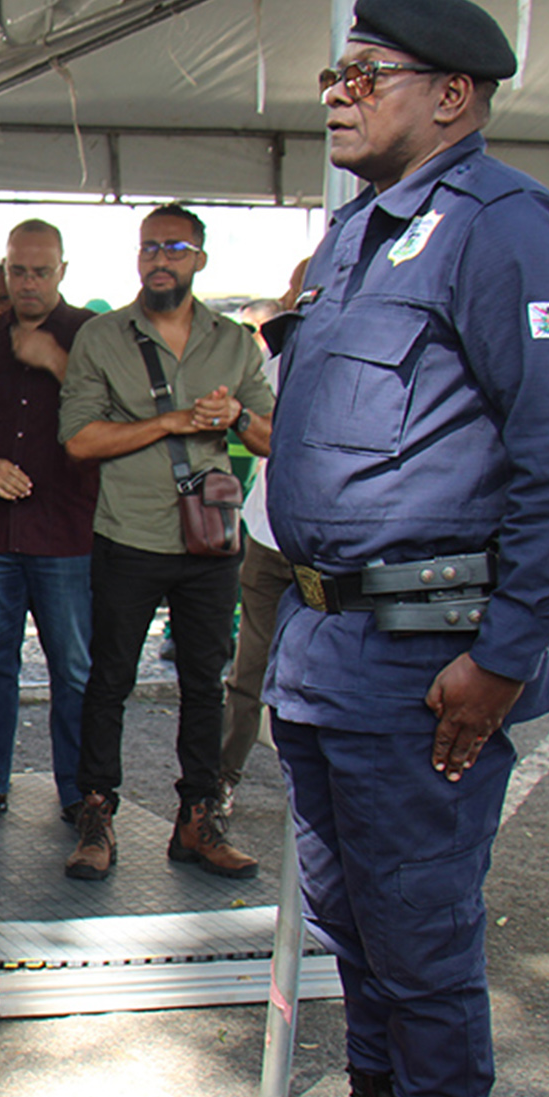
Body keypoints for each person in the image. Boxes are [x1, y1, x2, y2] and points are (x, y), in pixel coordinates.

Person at [232, 0, 549, 1097]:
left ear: (452, 95)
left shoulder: (507, 236)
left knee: (422, 929)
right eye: (333, 73)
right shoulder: (355, 240)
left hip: (429, 658)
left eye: (366, 74)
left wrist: (505, 658)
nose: (337, 92)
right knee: (354, 920)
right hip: (329, 643)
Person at [57, 203, 273, 884]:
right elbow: (80, 440)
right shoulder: (103, 337)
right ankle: (96, 816)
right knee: (108, 682)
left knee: (203, 685)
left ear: (199, 259)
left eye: (174, 248)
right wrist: (172, 422)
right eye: (149, 247)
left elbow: (277, 437)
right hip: (129, 533)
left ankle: (198, 820)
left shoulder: (236, 343)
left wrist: (235, 416)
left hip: (209, 542)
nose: (159, 259)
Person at [0, 219, 99, 830]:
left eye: (40, 271)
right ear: (3, 271)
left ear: (62, 271)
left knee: (74, 667)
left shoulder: (92, 336)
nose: (27, 282)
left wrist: (57, 361)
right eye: (17, 270)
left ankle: (82, 792)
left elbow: (114, 418)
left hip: (67, 529)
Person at [216, 267, 303, 818]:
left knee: (327, 676)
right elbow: (261, 433)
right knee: (249, 674)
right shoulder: (274, 362)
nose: (298, 301)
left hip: (332, 549)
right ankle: (219, 782)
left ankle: (323, 784)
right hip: (270, 538)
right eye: (297, 293)